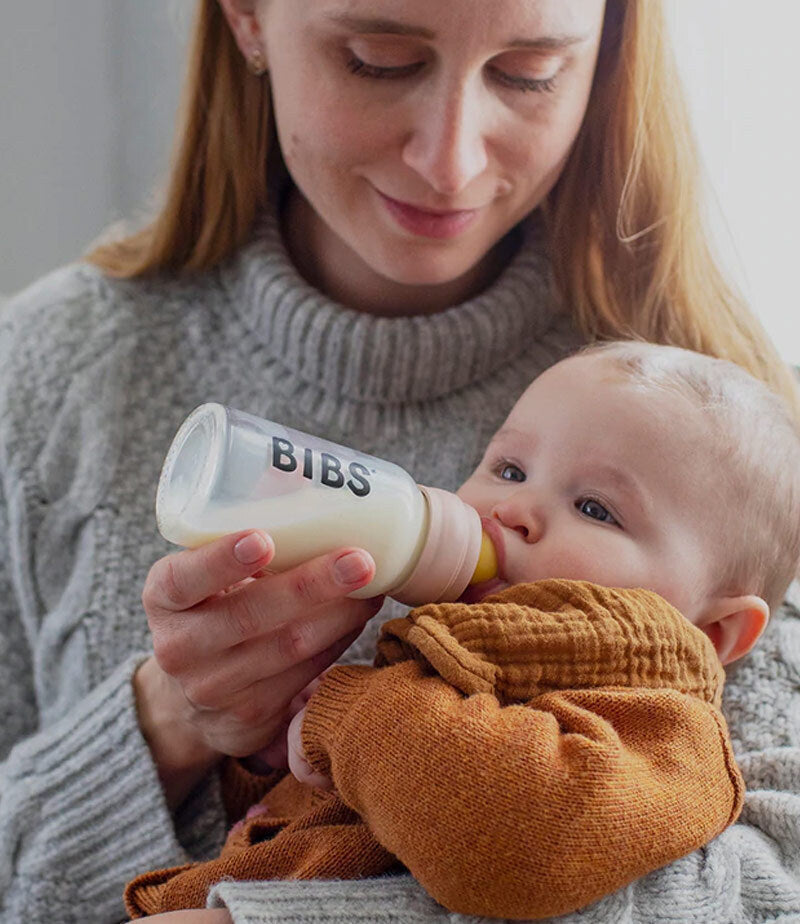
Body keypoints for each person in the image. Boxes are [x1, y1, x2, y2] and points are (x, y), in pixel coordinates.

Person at [0, 1, 798, 922]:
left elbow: (763, 889)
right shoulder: (46, 379)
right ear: (249, 19)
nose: (449, 160)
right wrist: (176, 723)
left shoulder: (727, 438)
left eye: (528, 70)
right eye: (378, 60)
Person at [123, 341, 800, 919]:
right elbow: (323, 831)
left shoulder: (659, 731)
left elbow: (517, 841)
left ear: (713, 631)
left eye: (595, 508)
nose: (513, 509)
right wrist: (266, 760)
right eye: (509, 469)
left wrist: (347, 713)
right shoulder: (440, 660)